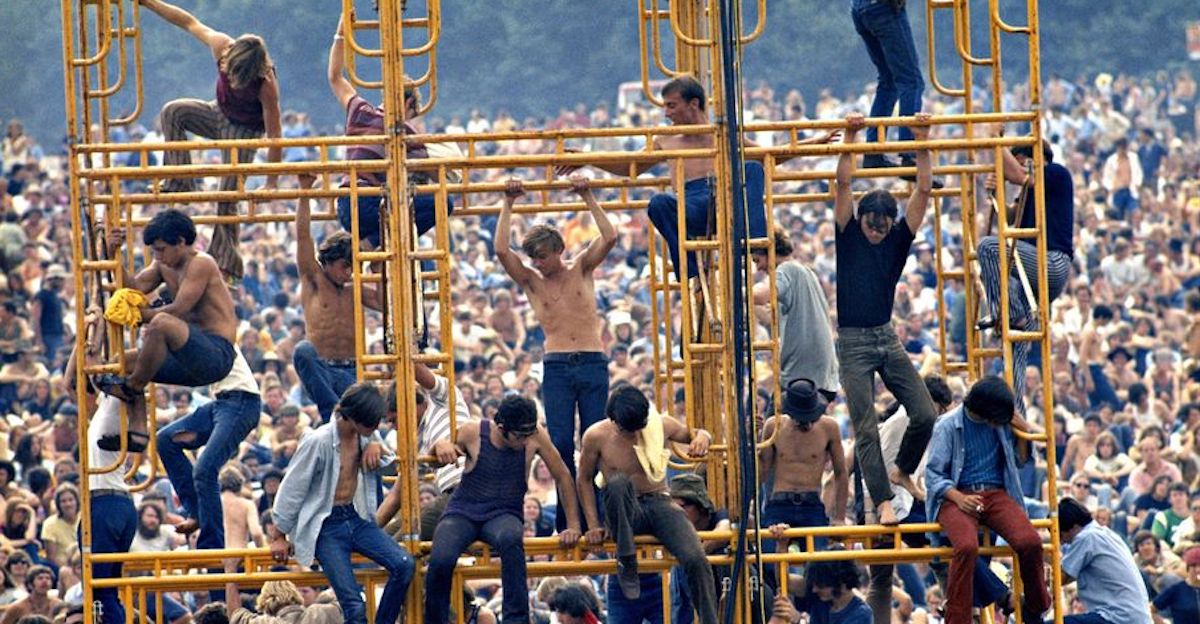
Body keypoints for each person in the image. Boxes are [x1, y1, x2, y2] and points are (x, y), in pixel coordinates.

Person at [564, 77, 836, 281]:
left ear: (693, 104)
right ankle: (691, 269)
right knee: (658, 203)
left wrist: (813, 143)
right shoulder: (666, 139)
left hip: (726, 199)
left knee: (753, 168)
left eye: (672, 105)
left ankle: (753, 241)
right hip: (691, 203)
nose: (667, 113)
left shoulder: (723, 133)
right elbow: (630, 167)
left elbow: (768, 157)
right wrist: (589, 157)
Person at [495, 175, 616, 530]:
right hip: (558, 365)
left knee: (595, 439)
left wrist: (587, 195)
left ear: (558, 250)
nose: (538, 263)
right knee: (560, 442)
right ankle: (569, 522)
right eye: (533, 258)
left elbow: (609, 237)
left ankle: (599, 519)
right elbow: (502, 251)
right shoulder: (532, 281)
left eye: (543, 257)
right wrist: (508, 202)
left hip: (592, 360)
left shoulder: (581, 267)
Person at [834, 112, 937, 525]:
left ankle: (903, 470)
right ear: (861, 220)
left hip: (884, 334)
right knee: (865, 427)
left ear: (891, 223)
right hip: (853, 341)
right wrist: (850, 137)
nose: (875, 231)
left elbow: (923, 190)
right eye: (870, 225)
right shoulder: (848, 234)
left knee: (925, 411)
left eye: (882, 226)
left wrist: (922, 141)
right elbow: (843, 184)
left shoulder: (898, 238)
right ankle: (882, 500)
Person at [138, 0, 283, 282]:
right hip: (218, 112)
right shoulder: (221, 45)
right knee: (173, 111)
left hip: (245, 131)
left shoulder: (266, 84)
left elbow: (275, 136)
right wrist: (148, 2)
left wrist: (272, 181)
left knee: (226, 194)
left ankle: (226, 264)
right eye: (227, 69)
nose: (229, 75)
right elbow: (186, 21)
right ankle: (180, 179)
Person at [423, 395, 582, 624]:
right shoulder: (473, 431)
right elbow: (436, 459)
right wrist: (440, 446)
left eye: (529, 435)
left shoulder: (535, 435)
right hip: (463, 511)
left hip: (504, 513)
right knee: (441, 558)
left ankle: (516, 620)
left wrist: (573, 525)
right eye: (520, 437)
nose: (526, 441)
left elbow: (563, 476)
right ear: (501, 428)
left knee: (511, 540)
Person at [94, 209, 238, 455]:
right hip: (185, 356)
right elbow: (135, 286)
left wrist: (138, 315)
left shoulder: (201, 263)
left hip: (215, 355)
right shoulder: (163, 264)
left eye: (161, 249)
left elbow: (179, 309)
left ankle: (132, 387)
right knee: (122, 363)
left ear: (181, 242)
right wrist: (112, 254)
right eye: (155, 251)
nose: (158, 256)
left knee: (161, 322)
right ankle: (138, 432)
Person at [270, 383, 415, 624]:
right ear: (354, 417)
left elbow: (390, 466)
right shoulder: (318, 441)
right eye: (372, 423)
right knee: (354, 607)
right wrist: (278, 535)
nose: (376, 427)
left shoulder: (365, 436)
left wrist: (377, 447)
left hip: (354, 517)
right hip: (325, 527)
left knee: (404, 565)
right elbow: (292, 488)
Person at [576, 384, 717, 623]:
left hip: (659, 501)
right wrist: (592, 525)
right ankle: (626, 559)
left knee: (696, 558)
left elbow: (694, 433)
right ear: (614, 421)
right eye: (628, 430)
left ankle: (710, 620)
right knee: (618, 483)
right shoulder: (596, 436)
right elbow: (584, 479)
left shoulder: (659, 424)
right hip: (623, 509)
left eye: (639, 427)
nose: (635, 435)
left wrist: (704, 437)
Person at [925, 376, 1049, 624]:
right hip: (956, 494)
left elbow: (1021, 460)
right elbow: (933, 475)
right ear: (984, 411)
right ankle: (957, 619)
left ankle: (1036, 606)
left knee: (1030, 541)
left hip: (996, 493)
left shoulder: (1001, 423)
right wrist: (959, 498)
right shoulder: (947, 426)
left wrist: (1024, 430)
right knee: (966, 547)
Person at [326, 14, 452, 249]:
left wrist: (342, 29)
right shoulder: (407, 135)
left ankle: (373, 244)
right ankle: (375, 244)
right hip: (373, 204)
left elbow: (335, 76)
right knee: (443, 202)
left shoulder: (360, 111)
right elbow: (441, 178)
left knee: (395, 217)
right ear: (408, 104)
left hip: (346, 203)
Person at [976, 139, 1074, 413]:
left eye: (1019, 160)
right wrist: (996, 195)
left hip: (1050, 262)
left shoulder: (1055, 174)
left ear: (1033, 158)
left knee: (988, 247)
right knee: (1016, 342)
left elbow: (1019, 175)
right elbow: (1010, 217)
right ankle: (1014, 408)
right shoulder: (1030, 190)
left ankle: (1007, 312)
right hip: (1029, 268)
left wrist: (995, 142)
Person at [291, 173, 382, 422]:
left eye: (353, 267)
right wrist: (304, 190)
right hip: (322, 369)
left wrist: (379, 270)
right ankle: (333, 413)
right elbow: (303, 236)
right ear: (328, 262)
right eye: (344, 266)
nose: (349, 273)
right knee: (302, 350)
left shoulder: (355, 288)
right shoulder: (314, 280)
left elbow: (384, 304)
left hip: (352, 371)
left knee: (367, 410)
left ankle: (337, 418)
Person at [156, 346, 261, 546]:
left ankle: (212, 544)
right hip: (221, 403)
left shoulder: (207, 331)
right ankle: (196, 511)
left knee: (205, 469)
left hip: (242, 401)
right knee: (165, 440)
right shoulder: (184, 338)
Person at [759, 378, 848, 555]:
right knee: (768, 560)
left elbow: (841, 472)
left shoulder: (829, 427)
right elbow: (761, 473)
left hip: (811, 503)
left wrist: (839, 517)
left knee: (818, 561)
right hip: (779, 503)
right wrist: (756, 445)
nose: (806, 423)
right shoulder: (773, 426)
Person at [751, 227, 839, 395]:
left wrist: (732, 290)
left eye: (757, 260)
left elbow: (760, 296)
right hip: (817, 375)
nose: (758, 268)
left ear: (770, 251)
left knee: (775, 412)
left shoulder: (787, 270)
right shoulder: (804, 272)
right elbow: (769, 316)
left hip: (803, 376)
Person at [850, 0, 926, 175]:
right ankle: (909, 153)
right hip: (884, 7)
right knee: (912, 81)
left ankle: (873, 152)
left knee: (889, 81)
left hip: (860, 8)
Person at [1058, 497, 1152, 624]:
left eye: (1060, 535)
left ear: (1073, 527)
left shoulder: (1087, 538)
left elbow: (1060, 577)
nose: (1061, 542)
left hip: (1118, 617)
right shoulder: (1106, 533)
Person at [669, 473, 732, 624]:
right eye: (673, 508)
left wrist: (695, 554)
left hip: (724, 590)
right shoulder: (673, 525)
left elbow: (724, 530)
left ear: (700, 506)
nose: (678, 513)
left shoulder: (718, 516)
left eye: (683, 506)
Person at [1151, 546, 1200, 624]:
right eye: (1193, 566)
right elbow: (1151, 609)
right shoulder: (1177, 589)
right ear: (1188, 568)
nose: (1198, 570)